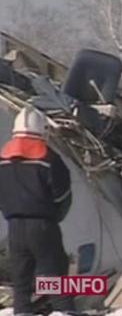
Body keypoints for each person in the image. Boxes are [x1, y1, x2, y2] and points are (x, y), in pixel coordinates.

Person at [0, 106, 75, 314]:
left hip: (14, 227)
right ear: (43, 130)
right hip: (43, 225)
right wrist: (55, 217)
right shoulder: (48, 159)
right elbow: (63, 195)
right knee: (55, 278)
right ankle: (65, 311)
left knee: (21, 283)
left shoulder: (3, 160)